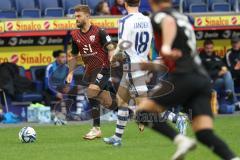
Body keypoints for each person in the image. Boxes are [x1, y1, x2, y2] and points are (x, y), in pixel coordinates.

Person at [136, 0, 239, 160]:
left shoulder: (161, 15)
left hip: (184, 76)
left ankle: (180, 140)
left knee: (142, 112)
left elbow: (167, 22)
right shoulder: (183, 17)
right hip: (201, 79)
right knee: (204, 133)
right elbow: (181, 53)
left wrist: (165, 47)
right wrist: (153, 65)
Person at [103, 0, 188, 147]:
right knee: (122, 100)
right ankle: (117, 138)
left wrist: (113, 56)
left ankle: (177, 118)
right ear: (139, 3)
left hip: (132, 66)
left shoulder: (124, 20)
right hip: (142, 62)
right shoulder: (148, 20)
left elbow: (123, 43)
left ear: (125, 4)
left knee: (143, 106)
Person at [66, 5, 116, 140]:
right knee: (107, 101)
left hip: (103, 67)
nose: (76, 19)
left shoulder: (100, 31)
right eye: (75, 16)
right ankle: (133, 112)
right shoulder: (75, 35)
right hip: (89, 70)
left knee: (91, 92)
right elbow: (74, 55)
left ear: (87, 16)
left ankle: (96, 129)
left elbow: (111, 47)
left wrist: (111, 57)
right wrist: (70, 72)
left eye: (78, 16)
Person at [44, 50, 69, 124]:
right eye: (62, 57)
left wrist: (68, 87)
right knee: (47, 92)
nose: (64, 59)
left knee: (75, 90)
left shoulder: (67, 67)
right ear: (57, 58)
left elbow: (70, 80)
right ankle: (52, 114)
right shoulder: (50, 67)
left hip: (61, 88)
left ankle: (65, 115)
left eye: (65, 57)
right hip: (51, 89)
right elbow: (47, 83)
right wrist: (55, 93)